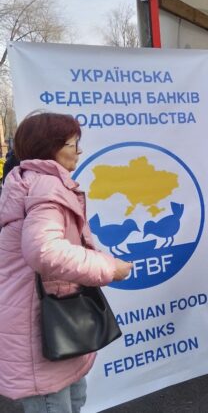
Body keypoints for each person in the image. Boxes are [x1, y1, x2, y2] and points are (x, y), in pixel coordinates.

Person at [0, 111, 133, 413]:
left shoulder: (30, 182)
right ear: (51, 147)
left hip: (43, 321)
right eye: (73, 144)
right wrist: (108, 267)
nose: (79, 151)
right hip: (40, 328)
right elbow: (44, 251)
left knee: (72, 401)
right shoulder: (46, 188)